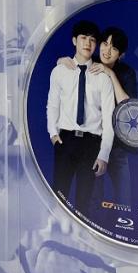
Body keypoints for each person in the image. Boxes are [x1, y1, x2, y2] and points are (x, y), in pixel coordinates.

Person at [57, 27, 138, 207]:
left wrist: (110, 73)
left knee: (124, 199)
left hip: (117, 146)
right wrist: (61, 61)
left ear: (121, 55)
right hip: (92, 145)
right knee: (92, 199)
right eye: (105, 43)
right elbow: (69, 69)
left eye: (114, 48)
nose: (107, 51)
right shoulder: (89, 64)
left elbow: (127, 106)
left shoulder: (126, 73)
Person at [46, 20, 115, 216]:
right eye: (83, 38)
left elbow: (109, 118)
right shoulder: (60, 71)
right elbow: (52, 105)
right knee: (58, 197)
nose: (88, 43)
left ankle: (79, 235)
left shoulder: (103, 77)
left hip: (91, 144)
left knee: (84, 202)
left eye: (92, 40)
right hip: (65, 140)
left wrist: (104, 154)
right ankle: (56, 232)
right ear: (74, 40)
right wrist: (53, 134)